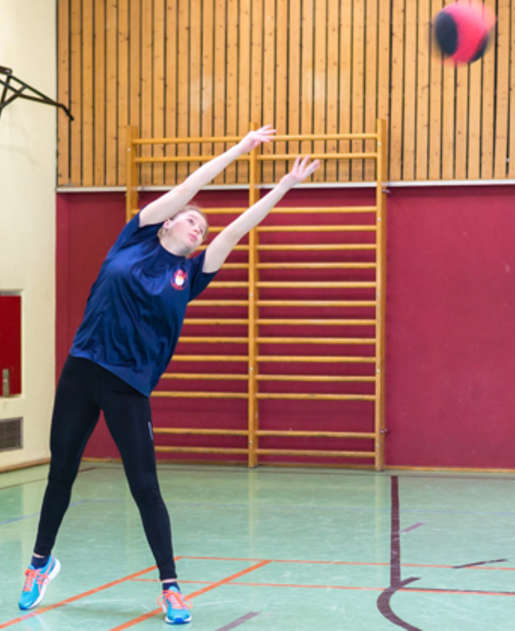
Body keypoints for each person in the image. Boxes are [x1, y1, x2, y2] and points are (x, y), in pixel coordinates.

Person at [17, 124, 320, 625]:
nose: (198, 226)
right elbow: (189, 188)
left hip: (129, 386)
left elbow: (237, 230)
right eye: (190, 221)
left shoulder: (192, 275)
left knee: (145, 488)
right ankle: (38, 565)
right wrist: (241, 149)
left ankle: (171, 588)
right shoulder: (134, 239)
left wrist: (282, 187)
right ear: (166, 224)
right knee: (61, 473)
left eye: (201, 227)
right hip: (82, 368)